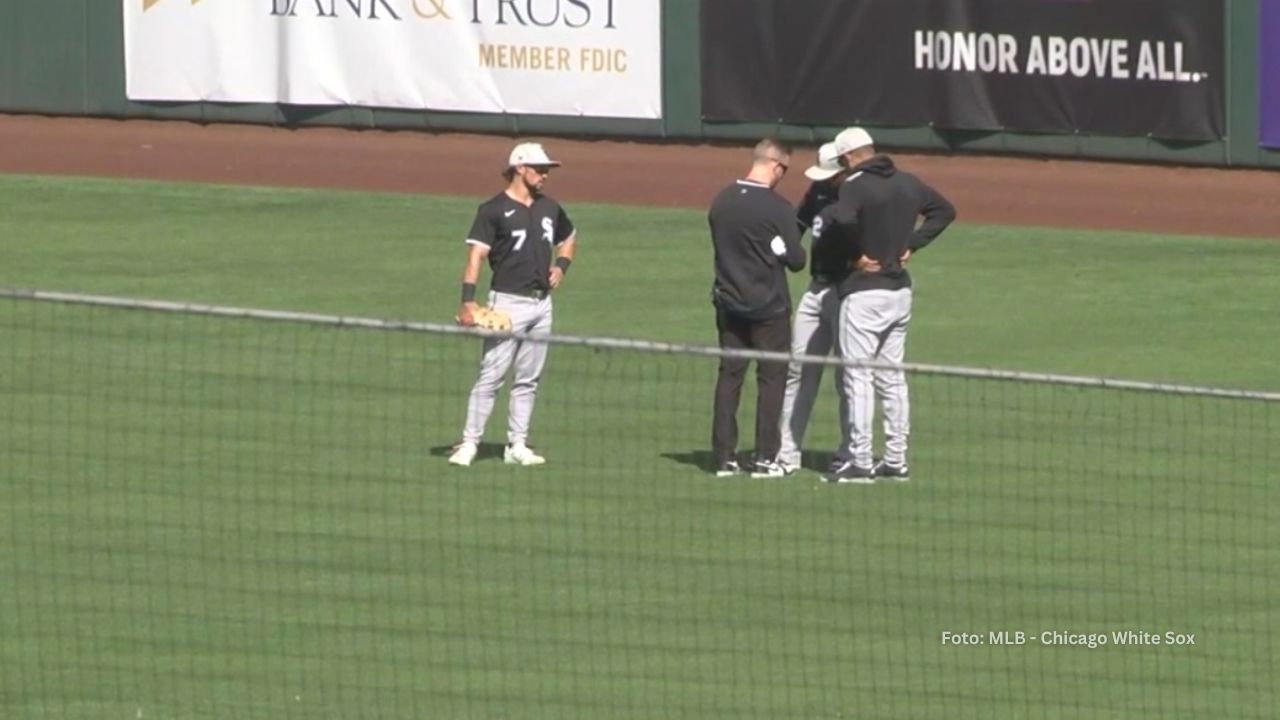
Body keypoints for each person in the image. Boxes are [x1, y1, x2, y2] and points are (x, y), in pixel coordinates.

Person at [819, 127, 956, 484]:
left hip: (864, 293)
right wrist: (913, 242)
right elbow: (944, 211)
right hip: (900, 293)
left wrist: (856, 254)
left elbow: (843, 220)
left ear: (848, 157)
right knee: (892, 377)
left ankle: (861, 459)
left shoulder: (855, 185)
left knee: (858, 376)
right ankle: (895, 459)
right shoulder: (908, 182)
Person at [448, 141, 577, 467]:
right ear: (520, 168)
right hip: (506, 304)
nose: (545, 175)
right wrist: (467, 301)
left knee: (528, 379)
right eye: (539, 169)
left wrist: (561, 266)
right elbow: (476, 256)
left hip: (541, 305)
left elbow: (569, 236)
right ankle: (469, 443)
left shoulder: (550, 208)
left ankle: (516, 445)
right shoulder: (492, 210)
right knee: (491, 377)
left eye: (547, 170)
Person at [707, 138, 807, 478]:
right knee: (772, 380)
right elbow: (796, 261)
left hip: (729, 304)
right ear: (776, 166)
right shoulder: (778, 208)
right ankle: (766, 458)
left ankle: (723, 458)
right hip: (769, 309)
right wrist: (778, 250)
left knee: (730, 377)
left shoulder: (722, 201)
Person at [776, 142, 857, 475]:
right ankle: (786, 451)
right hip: (816, 289)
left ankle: (849, 451)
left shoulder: (860, 194)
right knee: (798, 369)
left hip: (849, 293)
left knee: (848, 377)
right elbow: (796, 229)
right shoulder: (819, 191)